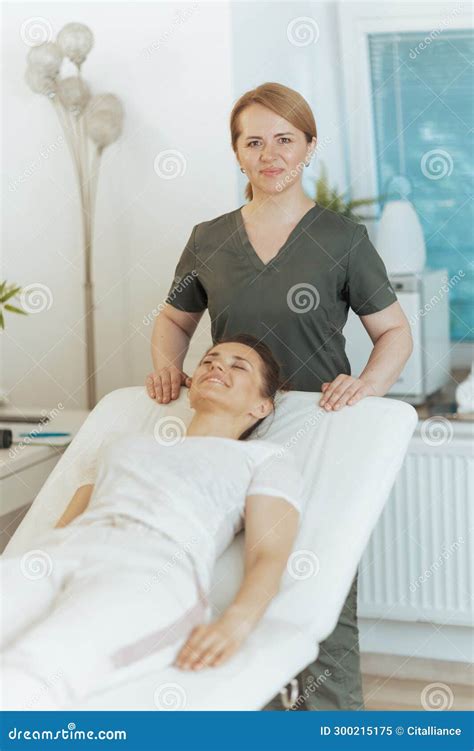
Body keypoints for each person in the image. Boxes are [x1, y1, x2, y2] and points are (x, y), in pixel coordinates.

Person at [145, 82, 413, 710]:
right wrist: (166, 365)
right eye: (254, 141)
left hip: (316, 431)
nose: (270, 154)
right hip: (229, 432)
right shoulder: (209, 237)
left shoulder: (341, 239)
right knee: (227, 577)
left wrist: (367, 384)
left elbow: (394, 332)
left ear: (309, 147)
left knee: (318, 585)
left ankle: (329, 721)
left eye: (284, 140)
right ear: (237, 153)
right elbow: (174, 319)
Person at [0, 335, 305, 711]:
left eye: (238, 366)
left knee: (30, 672)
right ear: (190, 390)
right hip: (65, 552)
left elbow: (270, 551)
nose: (216, 367)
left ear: (262, 405)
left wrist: (237, 622)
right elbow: (68, 523)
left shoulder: (263, 458)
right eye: (208, 361)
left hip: (152, 572)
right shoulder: (122, 443)